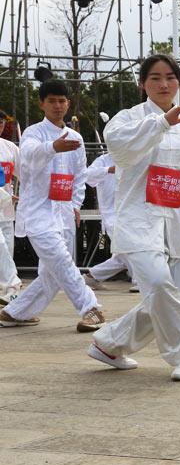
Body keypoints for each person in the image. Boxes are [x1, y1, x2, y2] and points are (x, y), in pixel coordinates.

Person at [86, 54, 180, 381]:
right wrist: (163, 122)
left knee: (165, 298)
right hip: (139, 219)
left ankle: (110, 344)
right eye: (155, 78)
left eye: (170, 77)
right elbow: (120, 148)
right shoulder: (128, 119)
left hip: (179, 221)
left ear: (178, 82)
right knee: (159, 284)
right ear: (142, 84)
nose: (164, 84)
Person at [0, 80, 105, 331]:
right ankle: (91, 308)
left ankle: (16, 312)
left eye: (62, 101)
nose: (58, 106)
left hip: (65, 212)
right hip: (38, 213)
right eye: (52, 101)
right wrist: (52, 148)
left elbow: (79, 177)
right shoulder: (34, 133)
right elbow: (28, 157)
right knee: (63, 262)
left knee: (53, 272)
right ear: (42, 104)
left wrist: (76, 205)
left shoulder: (76, 138)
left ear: (68, 104)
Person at [83, 151, 138, 293]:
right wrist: (108, 170)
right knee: (127, 246)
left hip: (131, 212)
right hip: (111, 214)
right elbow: (87, 176)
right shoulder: (103, 160)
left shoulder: (134, 156)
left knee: (123, 254)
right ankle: (140, 280)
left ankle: (91, 277)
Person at [0, 110, 21, 305]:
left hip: (6, 208)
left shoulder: (10, 148)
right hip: (4, 200)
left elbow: (25, 174)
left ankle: (9, 289)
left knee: (7, 248)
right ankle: (12, 285)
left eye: (1, 123)